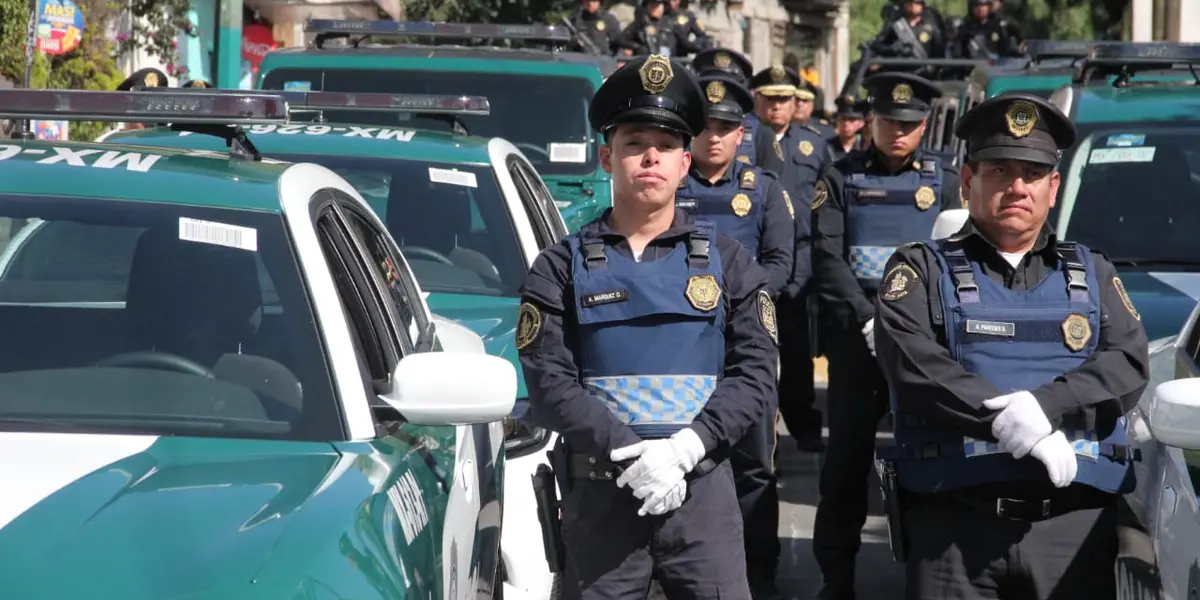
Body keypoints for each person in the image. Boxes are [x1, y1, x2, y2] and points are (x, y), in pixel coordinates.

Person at [518, 54, 777, 600]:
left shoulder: (729, 263)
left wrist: (685, 449)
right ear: (606, 158)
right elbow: (548, 384)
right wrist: (633, 455)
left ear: (685, 164)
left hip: (701, 496)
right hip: (601, 504)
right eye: (635, 142)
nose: (650, 157)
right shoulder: (558, 267)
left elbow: (755, 374)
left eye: (665, 145)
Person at [875, 93, 1149, 599]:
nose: (1017, 187)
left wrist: (1046, 408)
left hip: (1071, 532)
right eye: (1000, 171)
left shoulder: (1093, 271)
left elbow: (1128, 361)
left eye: (1032, 173)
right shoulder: (919, 269)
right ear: (967, 181)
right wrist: (1009, 421)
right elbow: (911, 362)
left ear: (1054, 186)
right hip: (954, 534)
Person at [809, 71, 960, 600]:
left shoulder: (944, 181)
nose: (899, 133)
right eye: (889, 122)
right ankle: (836, 579)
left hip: (925, 345)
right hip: (859, 342)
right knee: (846, 465)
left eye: (910, 124)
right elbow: (827, 257)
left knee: (933, 460)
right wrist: (870, 318)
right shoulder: (838, 177)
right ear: (870, 120)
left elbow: (958, 261)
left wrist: (914, 326)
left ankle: (931, 577)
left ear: (924, 127)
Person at [677, 72, 793, 600]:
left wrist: (730, 300)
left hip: (745, 343)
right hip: (684, 344)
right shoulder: (670, 190)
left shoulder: (764, 191)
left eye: (726, 128)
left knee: (753, 464)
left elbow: (782, 266)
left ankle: (759, 571)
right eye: (707, 127)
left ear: (741, 134)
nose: (715, 137)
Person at [750, 64, 829, 456]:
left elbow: (826, 203)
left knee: (795, 347)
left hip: (799, 257)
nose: (778, 107)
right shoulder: (741, 138)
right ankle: (757, 426)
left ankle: (802, 422)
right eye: (771, 99)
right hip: (752, 252)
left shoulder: (813, 144)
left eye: (785, 99)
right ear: (756, 100)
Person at [957, 0, 1022, 59]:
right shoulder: (966, 28)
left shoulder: (999, 24)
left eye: (984, 6)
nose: (980, 9)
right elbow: (959, 53)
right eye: (977, 6)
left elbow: (1017, 44)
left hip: (998, 66)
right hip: (974, 66)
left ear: (989, 7)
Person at [828, 94, 867, 161]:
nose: (846, 123)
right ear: (837, 120)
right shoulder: (826, 147)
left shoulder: (865, 147)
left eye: (852, 120)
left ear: (861, 123)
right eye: (843, 119)